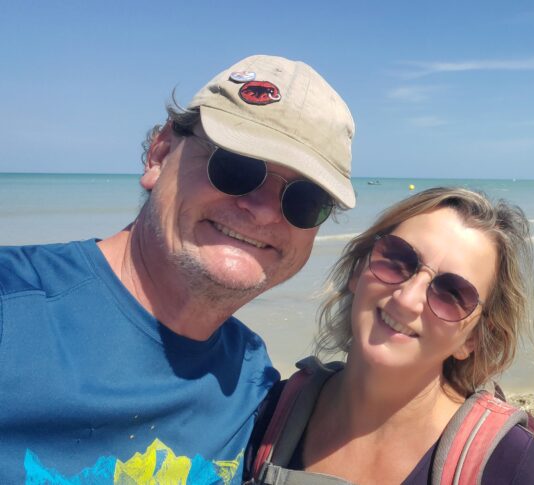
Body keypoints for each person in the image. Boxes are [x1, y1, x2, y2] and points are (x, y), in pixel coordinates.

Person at [0, 55, 356, 483]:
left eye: (305, 199)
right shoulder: (12, 305)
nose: (263, 211)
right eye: (236, 167)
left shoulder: (252, 379)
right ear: (160, 153)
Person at [246, 187, 534, 484]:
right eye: (397, 259)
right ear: (358, 270)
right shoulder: (266, 416)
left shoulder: (511, 467)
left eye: (452, 293)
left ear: (472, 338)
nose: (407, 300)